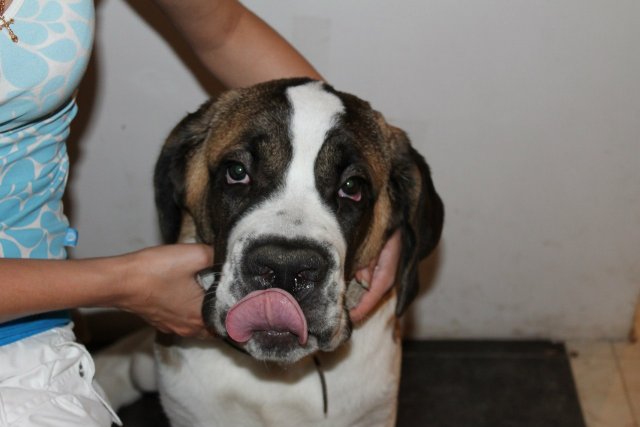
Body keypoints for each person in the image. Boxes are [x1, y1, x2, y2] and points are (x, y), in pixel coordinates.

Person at [0, 0, 401, 425]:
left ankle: (127, 366)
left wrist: (375, 176)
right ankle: (130, 367)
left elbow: (225, 29)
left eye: (352, 188)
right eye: (238, 173)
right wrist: (123, 285)